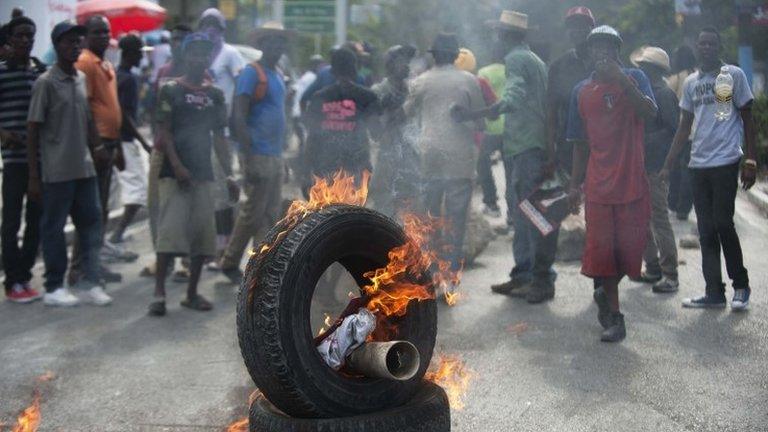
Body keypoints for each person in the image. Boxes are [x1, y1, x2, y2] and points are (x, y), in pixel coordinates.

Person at [456, 11, 557, 304]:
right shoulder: (534, 59)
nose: (493, 39)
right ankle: (524, 274)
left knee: (528, 212)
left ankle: (540, 277)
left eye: (497, 33)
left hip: (526, 145)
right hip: (528, 143)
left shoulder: (515, 60)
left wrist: (473, 115)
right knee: (524, 211)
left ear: (506, 35)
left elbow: (511, 99)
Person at [566, 25, 657, 342]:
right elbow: (578, 142)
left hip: (632, 182)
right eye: (596, 47)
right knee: (604, 252)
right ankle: (616, 318)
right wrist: (574, 185)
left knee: (631, 249)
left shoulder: (636, 78)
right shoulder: (581, 91)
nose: (602, 53)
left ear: (618, 52)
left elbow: (650, 112)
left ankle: (607, 291)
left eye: (609, 47)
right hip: (599, 187)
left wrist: (621, 80)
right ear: (589, 53)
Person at [661, 27, 757, 311]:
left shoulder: (731, 76)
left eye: (710, 43)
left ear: (718, 46)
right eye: (701, 43)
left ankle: (741, 286)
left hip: (725, 161)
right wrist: (667, 165)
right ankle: (714, 291)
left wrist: (750, 159)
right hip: (698, 164)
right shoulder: (691, 83)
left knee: (723, 224)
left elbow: (747, 118)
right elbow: (684, 127)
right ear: (697, 47)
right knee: (705, 231)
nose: (705, 47)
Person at [149, 32, 235, 316]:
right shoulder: (171, 90)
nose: (200, 58)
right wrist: (177, 166)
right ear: (186, 56)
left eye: (205, 52)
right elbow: (165, 131)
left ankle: (191, 293)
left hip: (204, 173)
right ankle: (159, 294)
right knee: (169, 235)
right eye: (195, 52)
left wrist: (230, 174)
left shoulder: (215, 95)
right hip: (174, 174)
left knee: (202, 237)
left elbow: (220, 137)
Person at [27, 20, 111, 307]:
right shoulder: (45, 83)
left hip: (84, 167)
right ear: (56, 45)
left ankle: (90, 282)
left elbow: (87, 119)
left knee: (91, 225)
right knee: (54, 229)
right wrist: (34, 177)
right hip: (57, 171)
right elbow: (33, 129)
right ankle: (53, 287)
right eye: (68, 42)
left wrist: (97, 146)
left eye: (78, 41)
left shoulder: (80, 78)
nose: (74, 46)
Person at [405, 33, 484, 291]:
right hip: (460, 158)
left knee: (428, 217)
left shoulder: (421, 81)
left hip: (430, 157)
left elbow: (407, 113)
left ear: (434, 55)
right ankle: (449, 278)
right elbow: (480, 120)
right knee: (455, 220)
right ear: (454, 55)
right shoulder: (469, 80)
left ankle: (429, 274)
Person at [219, 22, 292, 285]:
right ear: (261, 45)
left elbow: (280, 116)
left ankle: (260, 266)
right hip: (257, 153)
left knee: (270, 213)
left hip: (274, 154)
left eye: (281, 41)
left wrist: (283, 157)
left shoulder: (277, 75)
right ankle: (229, 261)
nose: (277, 46)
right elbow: (238, 114)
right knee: (252, 211)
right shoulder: (253, 73)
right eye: (272, 41)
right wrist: (247, 155)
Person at [72, 15, 129, 284]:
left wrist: (115, 146)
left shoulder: (105, 63)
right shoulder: (85, 62)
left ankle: (92, 264)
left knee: (101, 209)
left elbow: (111, 107)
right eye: (97, 33)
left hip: (108, 144)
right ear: (86, 36)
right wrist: (96, 145)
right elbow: (82, 109)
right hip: (95, 146)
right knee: (91, 211)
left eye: (106, 32)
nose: (104, 37)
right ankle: (81, 268)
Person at [140, 24, 193, 280]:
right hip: (161, 148)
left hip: (190, 152)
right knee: (156, 204)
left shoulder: (199, 74)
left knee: (185, 207)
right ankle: (162, 257)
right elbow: (153, 109)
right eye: (174, 38)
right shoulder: (163, 71)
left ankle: (185, 260)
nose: (176, 43)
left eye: (182, 39)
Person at [0, 16, 46, 303]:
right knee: (11, 221)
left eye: (30, 36)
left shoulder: (39, 74)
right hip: (15, 160)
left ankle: (24, 276)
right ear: (10, 40)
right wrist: (4, 134)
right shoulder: (2, 74)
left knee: (36, 220)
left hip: (42, 159)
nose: (26, 41)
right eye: (20, 36)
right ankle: (12, 281)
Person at [630, 46, 680, 293]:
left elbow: (673, 130)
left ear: (653, 70)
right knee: (641, 218)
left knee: (659, 218)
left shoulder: (663, 94)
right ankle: (652, 267)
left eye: (644, 67)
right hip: (640, 164)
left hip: (656, 165)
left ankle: (670, 274)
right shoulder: (643, 93)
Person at [198, 8, 245, 264]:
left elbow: (240, 87)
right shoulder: (202, 56)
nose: (210, 29)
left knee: (225, 189)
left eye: (215, 25)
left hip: (223, 131)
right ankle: (210, 244)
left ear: (222, 29)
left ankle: (224, 246)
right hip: (202, 132)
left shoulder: (230, 54)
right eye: (206, 24)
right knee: (207, 191)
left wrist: (237, 120)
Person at [305, 47, 380, 182]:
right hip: (357, 165)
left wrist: (306, 171)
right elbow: (377, 132)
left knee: (327, 203)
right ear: (355, 69)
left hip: (325, 166)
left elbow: (312, 136)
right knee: (353, 203)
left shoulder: (319, 97)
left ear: (332, 71)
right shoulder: (368, 97)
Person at [109, 34, 152, 245]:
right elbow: (123, 114)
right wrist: (144, 143)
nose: (141, 57)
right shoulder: (128, 78)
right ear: (130, 54)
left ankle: (111, 239)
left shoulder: (117, 75)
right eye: (139, 53)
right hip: (125, 141)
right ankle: (116, 236)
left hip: (118, 141)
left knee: (117, 193)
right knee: (138, 194)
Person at [369, 44, 419, 220]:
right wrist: (387, 113)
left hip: (412, 157)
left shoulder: (413, 90)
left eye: (408, 61)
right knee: (384, 207)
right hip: (387, 157)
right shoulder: (379, 91)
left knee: (413, 208)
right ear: (390, 65)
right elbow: (374, 131)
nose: (406, 65)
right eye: (401, 61)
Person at [545, 6, 595, 176]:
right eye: (572, 26)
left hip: (602, 146)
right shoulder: (558, 67)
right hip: (568, 148)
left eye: (582, 25)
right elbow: (551, 113)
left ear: (592, 30)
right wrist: (551, 154)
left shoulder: (605, 63)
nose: (577, 30)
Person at [666, 45, 697, 220]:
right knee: (689, 172)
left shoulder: (676, 79)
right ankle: (684, 207)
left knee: (676, 170)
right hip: (697, 133)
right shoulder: (698, 75)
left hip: (679, 131)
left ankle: (675, 203)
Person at [477, 45, 506, 219]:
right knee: (510, 170)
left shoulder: (483, 72)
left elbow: (483, 98)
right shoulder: (510, 70)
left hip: (489, 126)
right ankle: (512, 214)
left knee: (483, 164)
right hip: (509, 126)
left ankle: (492, 203)